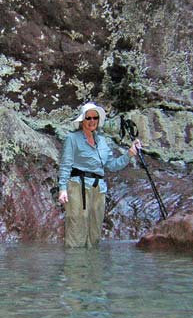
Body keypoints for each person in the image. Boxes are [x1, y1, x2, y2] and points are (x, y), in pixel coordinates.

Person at [58, 102, 140, 248]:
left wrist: (129, 154)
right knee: (77, 226)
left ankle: (92, 267)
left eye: (95, 117)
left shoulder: (102, 141)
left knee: (95, 229)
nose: (92, 121)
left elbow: (112, 165)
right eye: (88, 118)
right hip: (78, 186)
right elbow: (65, 165)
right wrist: (62, 188)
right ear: (82, 120)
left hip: (99, 188)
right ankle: (74, 267)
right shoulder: (72, 138)